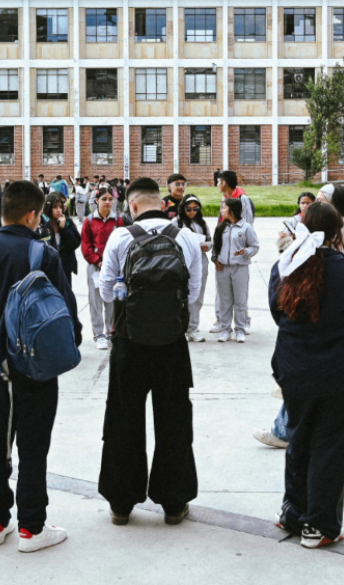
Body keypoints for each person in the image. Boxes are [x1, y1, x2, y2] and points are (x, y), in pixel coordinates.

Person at [0, 180, 81, 552]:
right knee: (33, 447)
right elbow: (65, 313)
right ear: (32, 214)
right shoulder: (44, 255)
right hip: (36, 369)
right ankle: (32, 527)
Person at [96, 177, 203, 528]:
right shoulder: (186, 237)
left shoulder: (120, 237)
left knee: (123, 420)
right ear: (161, 202)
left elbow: (106, 291)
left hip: (129, 341)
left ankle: (122, 504)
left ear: (133, 205)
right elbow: (193, 292)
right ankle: (174, 503)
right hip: (172, 343)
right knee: (173, 420)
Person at [270, 201, 344, 548]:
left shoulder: (285, 264)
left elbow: (276, 311)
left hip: (295, 366)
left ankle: (293, 513)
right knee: (331, 445)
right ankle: (320, 524)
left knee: (298, 438)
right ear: (335, 232)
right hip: (341, 370)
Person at [212, 198, 259, 343]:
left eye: (223, 208)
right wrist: (215, 260)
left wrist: (245, 252)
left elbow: (255, 246)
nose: (221, 211)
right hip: (222, 269)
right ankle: (225, 330)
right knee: (224, 301)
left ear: (231, 210)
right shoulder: (221, 227)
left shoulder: (246, 228)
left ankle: (240, 329)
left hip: (240, 268)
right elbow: (215, 247)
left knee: (240, 301)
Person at [81, 184, 121, 350]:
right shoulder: (89, 221)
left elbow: (122, 242)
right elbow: (86, 246)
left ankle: (111, 332)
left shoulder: (118, 221)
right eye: (104, 199)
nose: (107, 202)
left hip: (114, 268)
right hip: (96, 268)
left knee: (112, 301)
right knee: (96, 302)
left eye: (110, 199)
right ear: (96, 201)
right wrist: (98, 261)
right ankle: (99, 335)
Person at [176, 195, 212, 342]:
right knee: (178, 296)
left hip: (200, 261)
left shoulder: (202, 224)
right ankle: (178, 328)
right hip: (181, 261)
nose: (192, 212)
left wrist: (206, 246)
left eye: (195, 209)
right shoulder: (176, 223)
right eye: (188, 209)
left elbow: (210, 242)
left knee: (197, 295)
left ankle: (192, 329)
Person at [34, 192, 82, 285]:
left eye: (60, 207)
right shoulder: (42, 225)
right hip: (47, 270)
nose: (59, 210)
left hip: (64, 269)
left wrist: (64, 228)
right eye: (55, 207)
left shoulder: (67, 222)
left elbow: (75, 243)